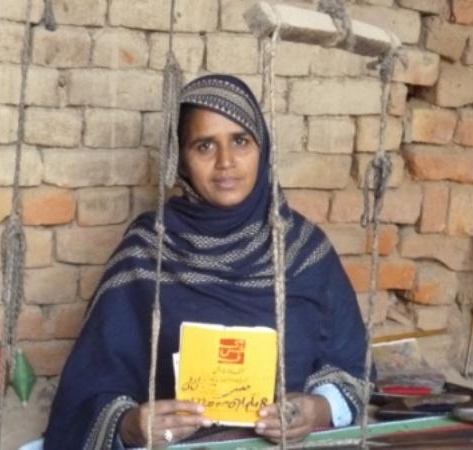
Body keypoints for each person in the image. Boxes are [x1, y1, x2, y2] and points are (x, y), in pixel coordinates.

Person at [44, 74, 369, 450]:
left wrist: (318, 410)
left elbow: (353, 371)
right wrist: (129, 425)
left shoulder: (303, 251)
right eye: (204, 146)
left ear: (262, 148)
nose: (225, 162)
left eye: (240, 141)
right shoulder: (149, 250)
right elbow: (88, 389)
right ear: (181, 158)